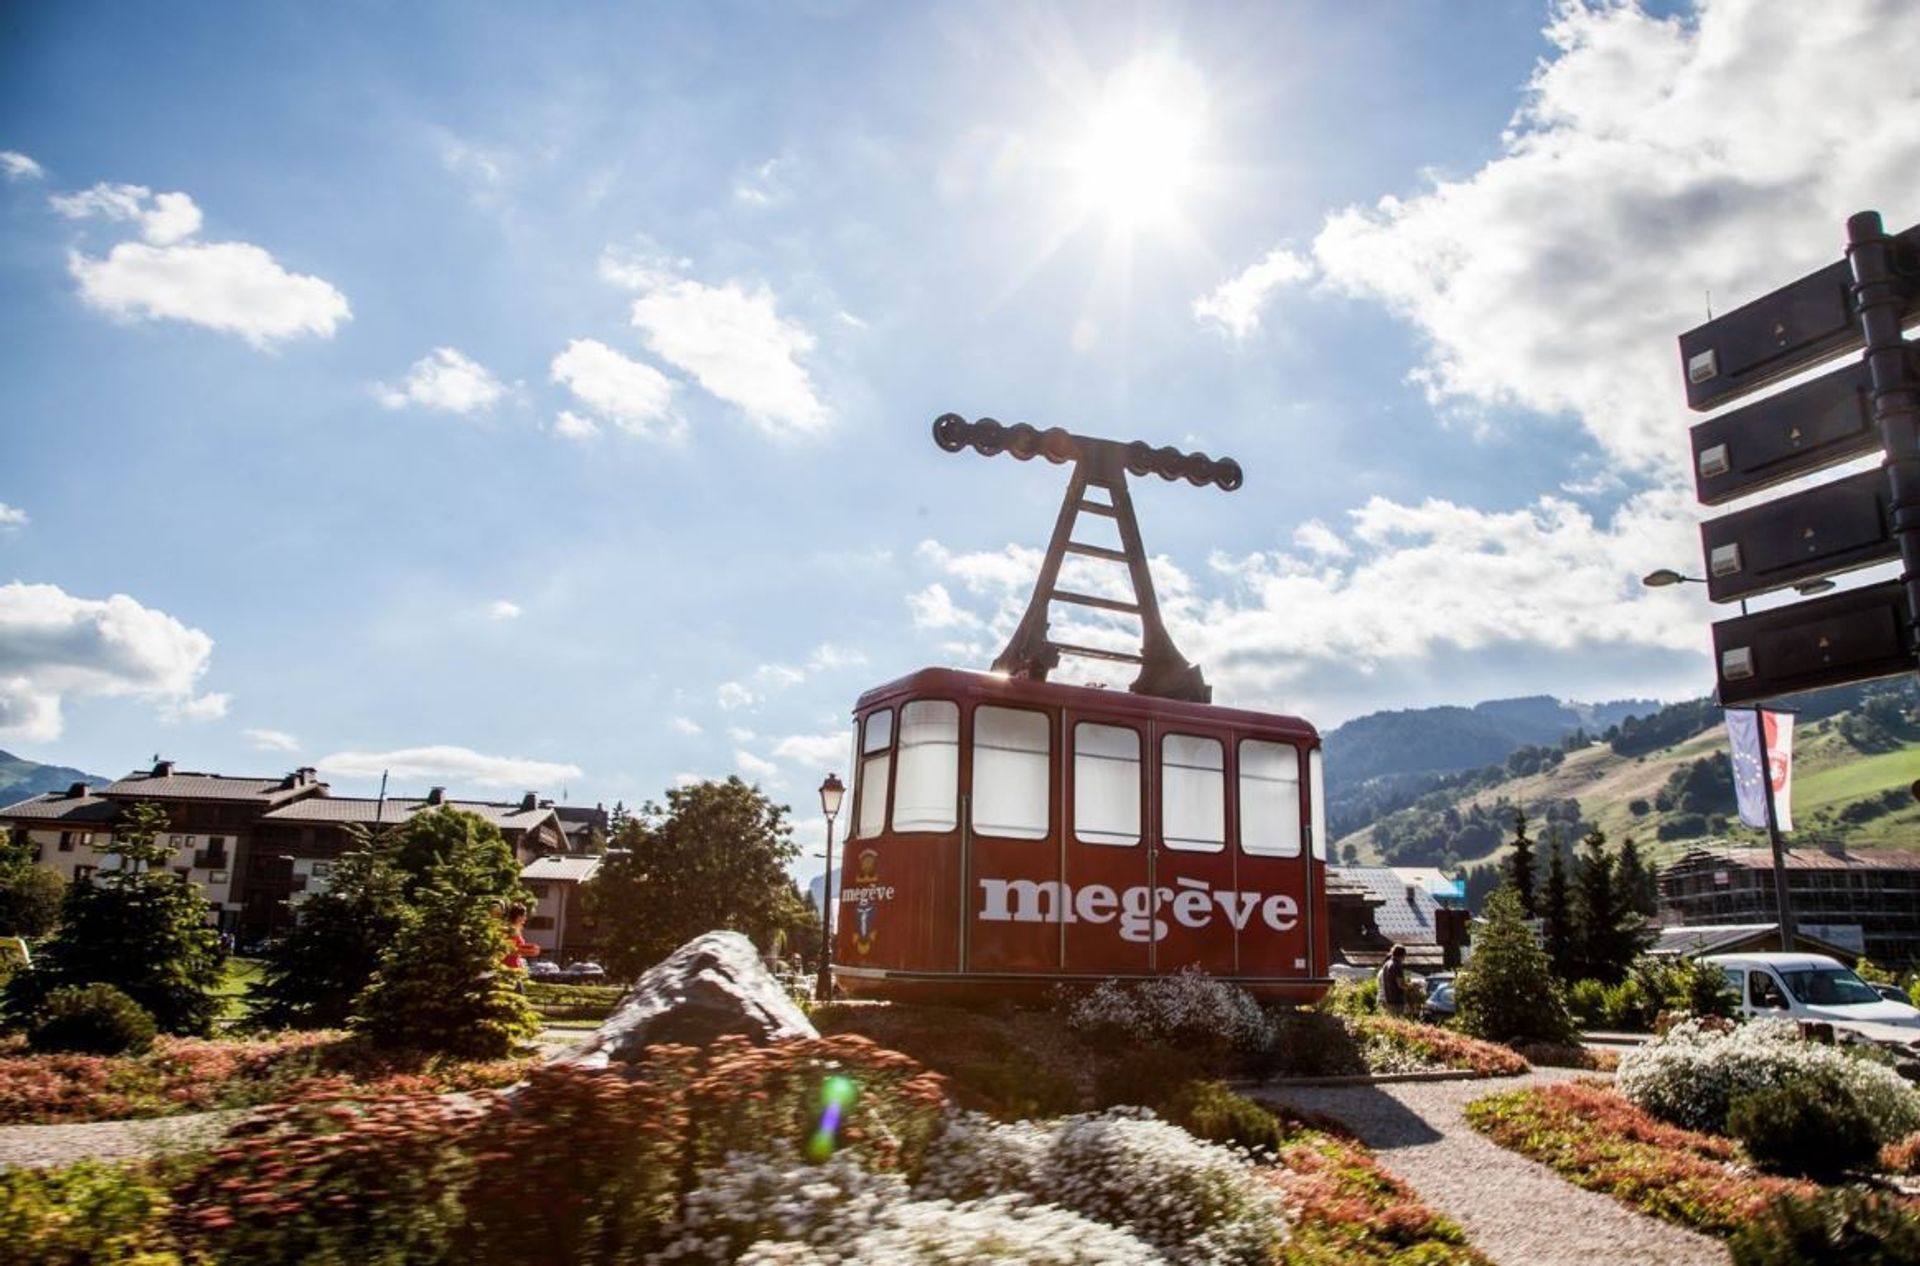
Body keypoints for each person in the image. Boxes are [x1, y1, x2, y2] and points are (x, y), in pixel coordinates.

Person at [502, 903, 541, 971]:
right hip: (509, 968)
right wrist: (528, 952)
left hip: (515, 967)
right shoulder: (510, 930)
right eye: (524, 915)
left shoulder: (516, 929)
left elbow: (517, 947)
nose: (525, 918)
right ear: (519, 917)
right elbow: (509, 950)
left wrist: (530, 947)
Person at [1378, 944, 1409, 1017]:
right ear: (1402, 955)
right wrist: (1411, 986)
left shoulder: (1386, 964)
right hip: (1397, 1001)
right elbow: (1401, 984)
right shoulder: (1397, 965)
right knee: (1398, 1023)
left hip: (1388, 999)